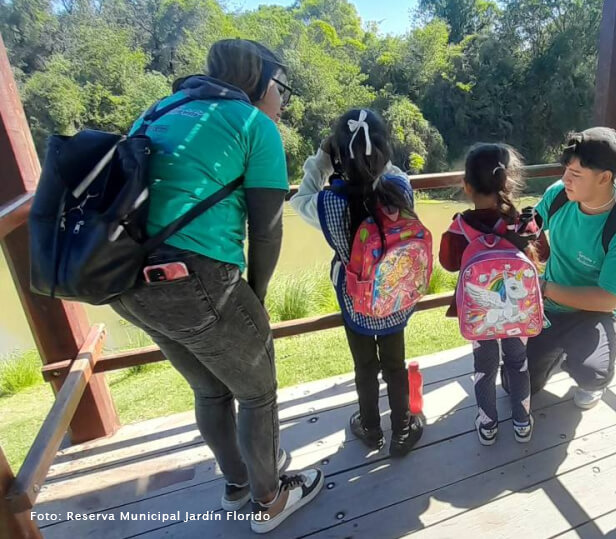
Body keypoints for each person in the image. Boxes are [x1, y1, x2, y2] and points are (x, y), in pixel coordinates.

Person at [109, 39, 323, 535]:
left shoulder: (161, 109)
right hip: (194, 278)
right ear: (263, 82)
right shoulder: (254, 125)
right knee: (257, 391)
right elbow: (268, 229)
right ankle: (270, 499)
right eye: (282, 87)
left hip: (124, 281)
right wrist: (256, 294)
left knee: (209, 388)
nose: (283, 100)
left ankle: (237, 484)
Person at [289, 108, 425, 458]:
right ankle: (402, 431)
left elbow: (299, 199)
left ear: (337, 153)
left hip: (355, 302)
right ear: (385, 151)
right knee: (395, 366)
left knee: (365, 367)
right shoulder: (401, 190)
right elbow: (392, 173)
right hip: (394, 298)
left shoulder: (329, 202)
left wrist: (321, 160)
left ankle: (371, 428)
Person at [514, 127, 616, 409]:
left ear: (605, 177)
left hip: (596, 314)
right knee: (516, 385)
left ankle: (591, 374)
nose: (565, 179)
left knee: (592, 371)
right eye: (566, 170)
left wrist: (544, 288)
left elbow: (607, 299)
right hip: (551, 307)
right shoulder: (559, 195)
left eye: (576, 175)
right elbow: (530, 228)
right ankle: (555, 353)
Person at [439, 143, 537, 445]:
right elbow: (540, 252)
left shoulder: (460, 227)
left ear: (466, 186)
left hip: (481, 315)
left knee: (484, 367)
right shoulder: (523, 222)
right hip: (516, 313)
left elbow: (448, 263)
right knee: (517, 363)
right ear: (508, 183)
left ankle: (488, 423)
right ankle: (522, 422)